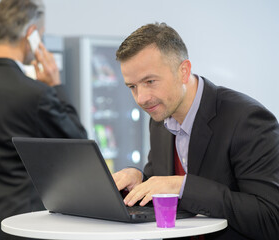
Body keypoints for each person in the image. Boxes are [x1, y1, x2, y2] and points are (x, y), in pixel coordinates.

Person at [113, 22, 279, 240]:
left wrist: (181, 185)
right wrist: (139, 180)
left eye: (150, 81)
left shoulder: (247, 119)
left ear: (184, 71)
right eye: (132, 87)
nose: (141, 98)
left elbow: (271, 218)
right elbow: (161, 186)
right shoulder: (159, 116)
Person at [0, 0, 87, 239]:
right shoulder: (36, 94)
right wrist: (56, 85)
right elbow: (80, 145)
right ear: (31, 34)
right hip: (25, 227)